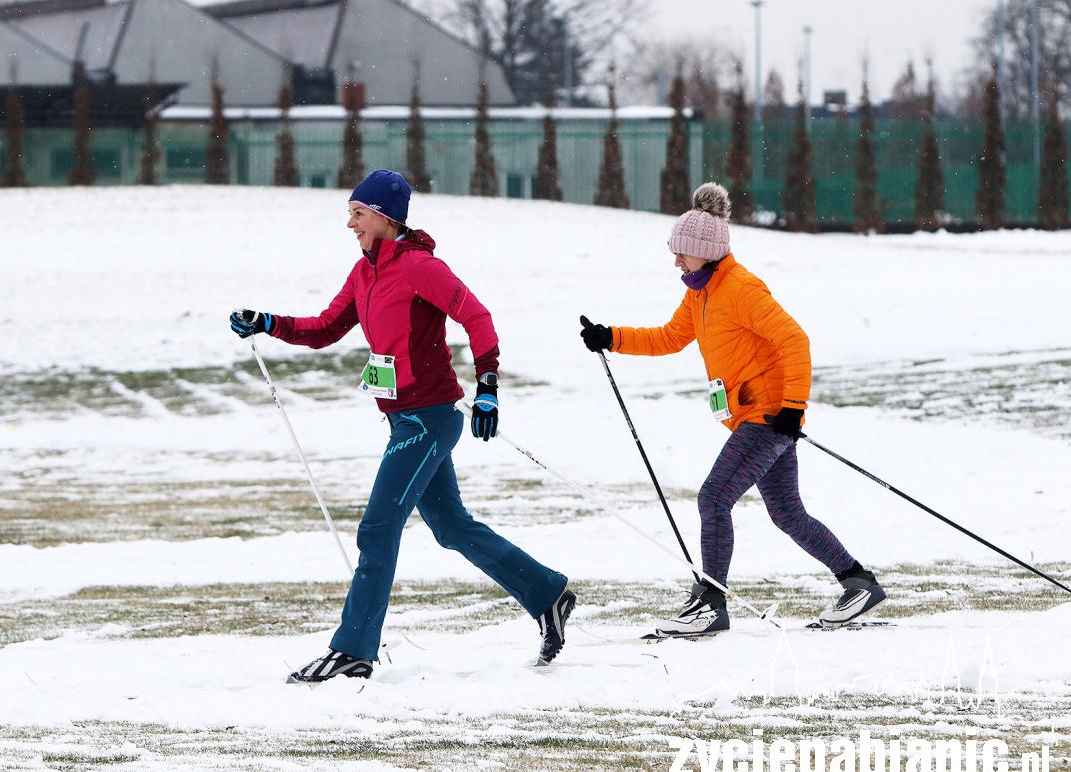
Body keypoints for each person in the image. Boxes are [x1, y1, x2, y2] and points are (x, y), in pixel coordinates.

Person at [231, 169, 575, 681]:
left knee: (377, 528)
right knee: (452, 527)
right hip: (402, 421)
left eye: (358, 214)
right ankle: (547, 594)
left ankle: (353, 651)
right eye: (350, 212)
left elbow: (477, 318)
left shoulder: (419, 268)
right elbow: (326, 328)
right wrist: (268, 323)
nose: (349, 224)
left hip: (428, 421)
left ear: (387, 219)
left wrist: (488, 388)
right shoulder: (364, 272)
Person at [579, 182, 885, 638]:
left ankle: (711, 602)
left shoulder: (740, 288)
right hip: (751, 416)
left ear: (706, 251)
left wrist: (792, 409)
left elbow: (794, 340)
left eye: (681, 253)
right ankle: (857, 581)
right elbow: (669, 337)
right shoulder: (700, 293)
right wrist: (612, 337)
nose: (676, 262)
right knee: (786, 512)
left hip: (768, 416)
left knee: (714, 497)